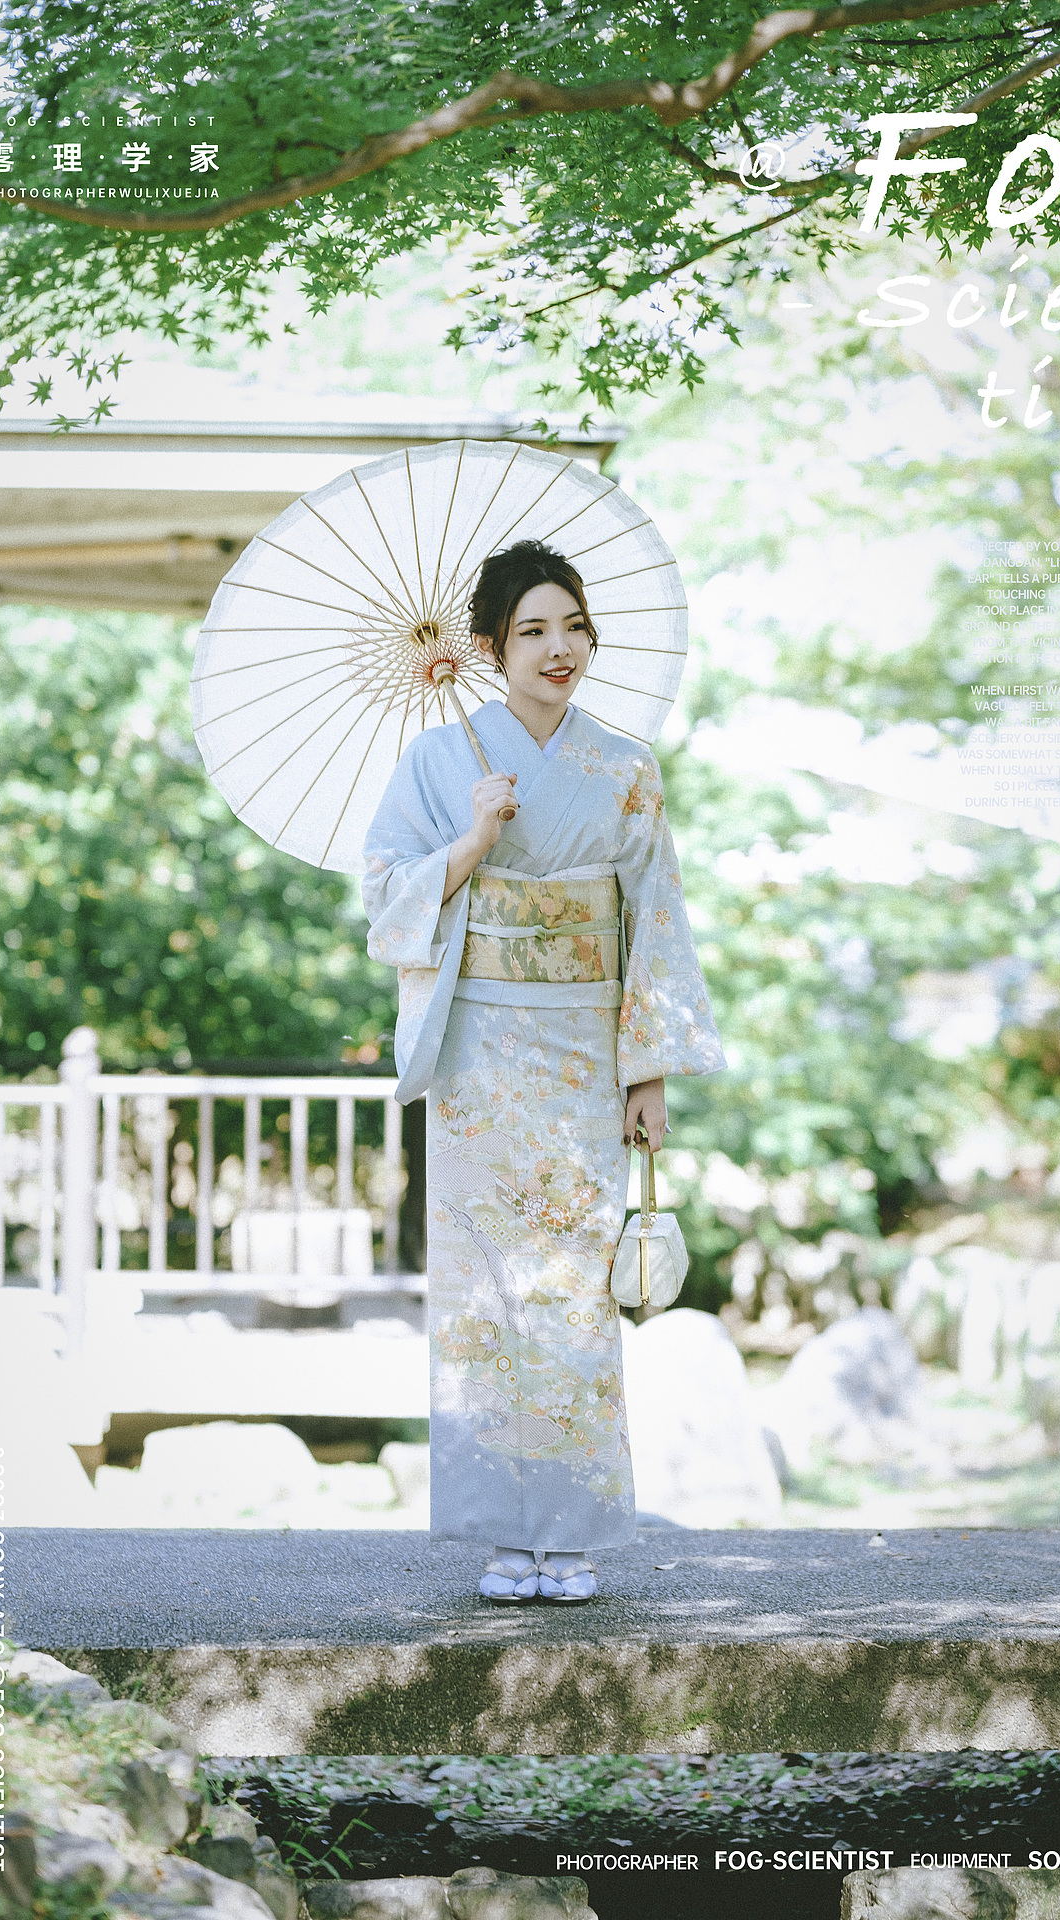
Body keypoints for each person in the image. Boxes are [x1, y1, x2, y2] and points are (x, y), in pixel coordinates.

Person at [362, 538, 724, 1602]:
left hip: (577, 1052)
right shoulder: (438, 762)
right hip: (479, 1045)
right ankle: (497, 1537)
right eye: (532, 630)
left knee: (568, 1287)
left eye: (572, 625)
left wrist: (645, 1066)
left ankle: (568, 1534)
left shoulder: (625, 768)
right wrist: (471, 840)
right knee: (482, 1285)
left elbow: (652, 917)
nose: (558, 648)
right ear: (485, 648)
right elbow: (384, 900)